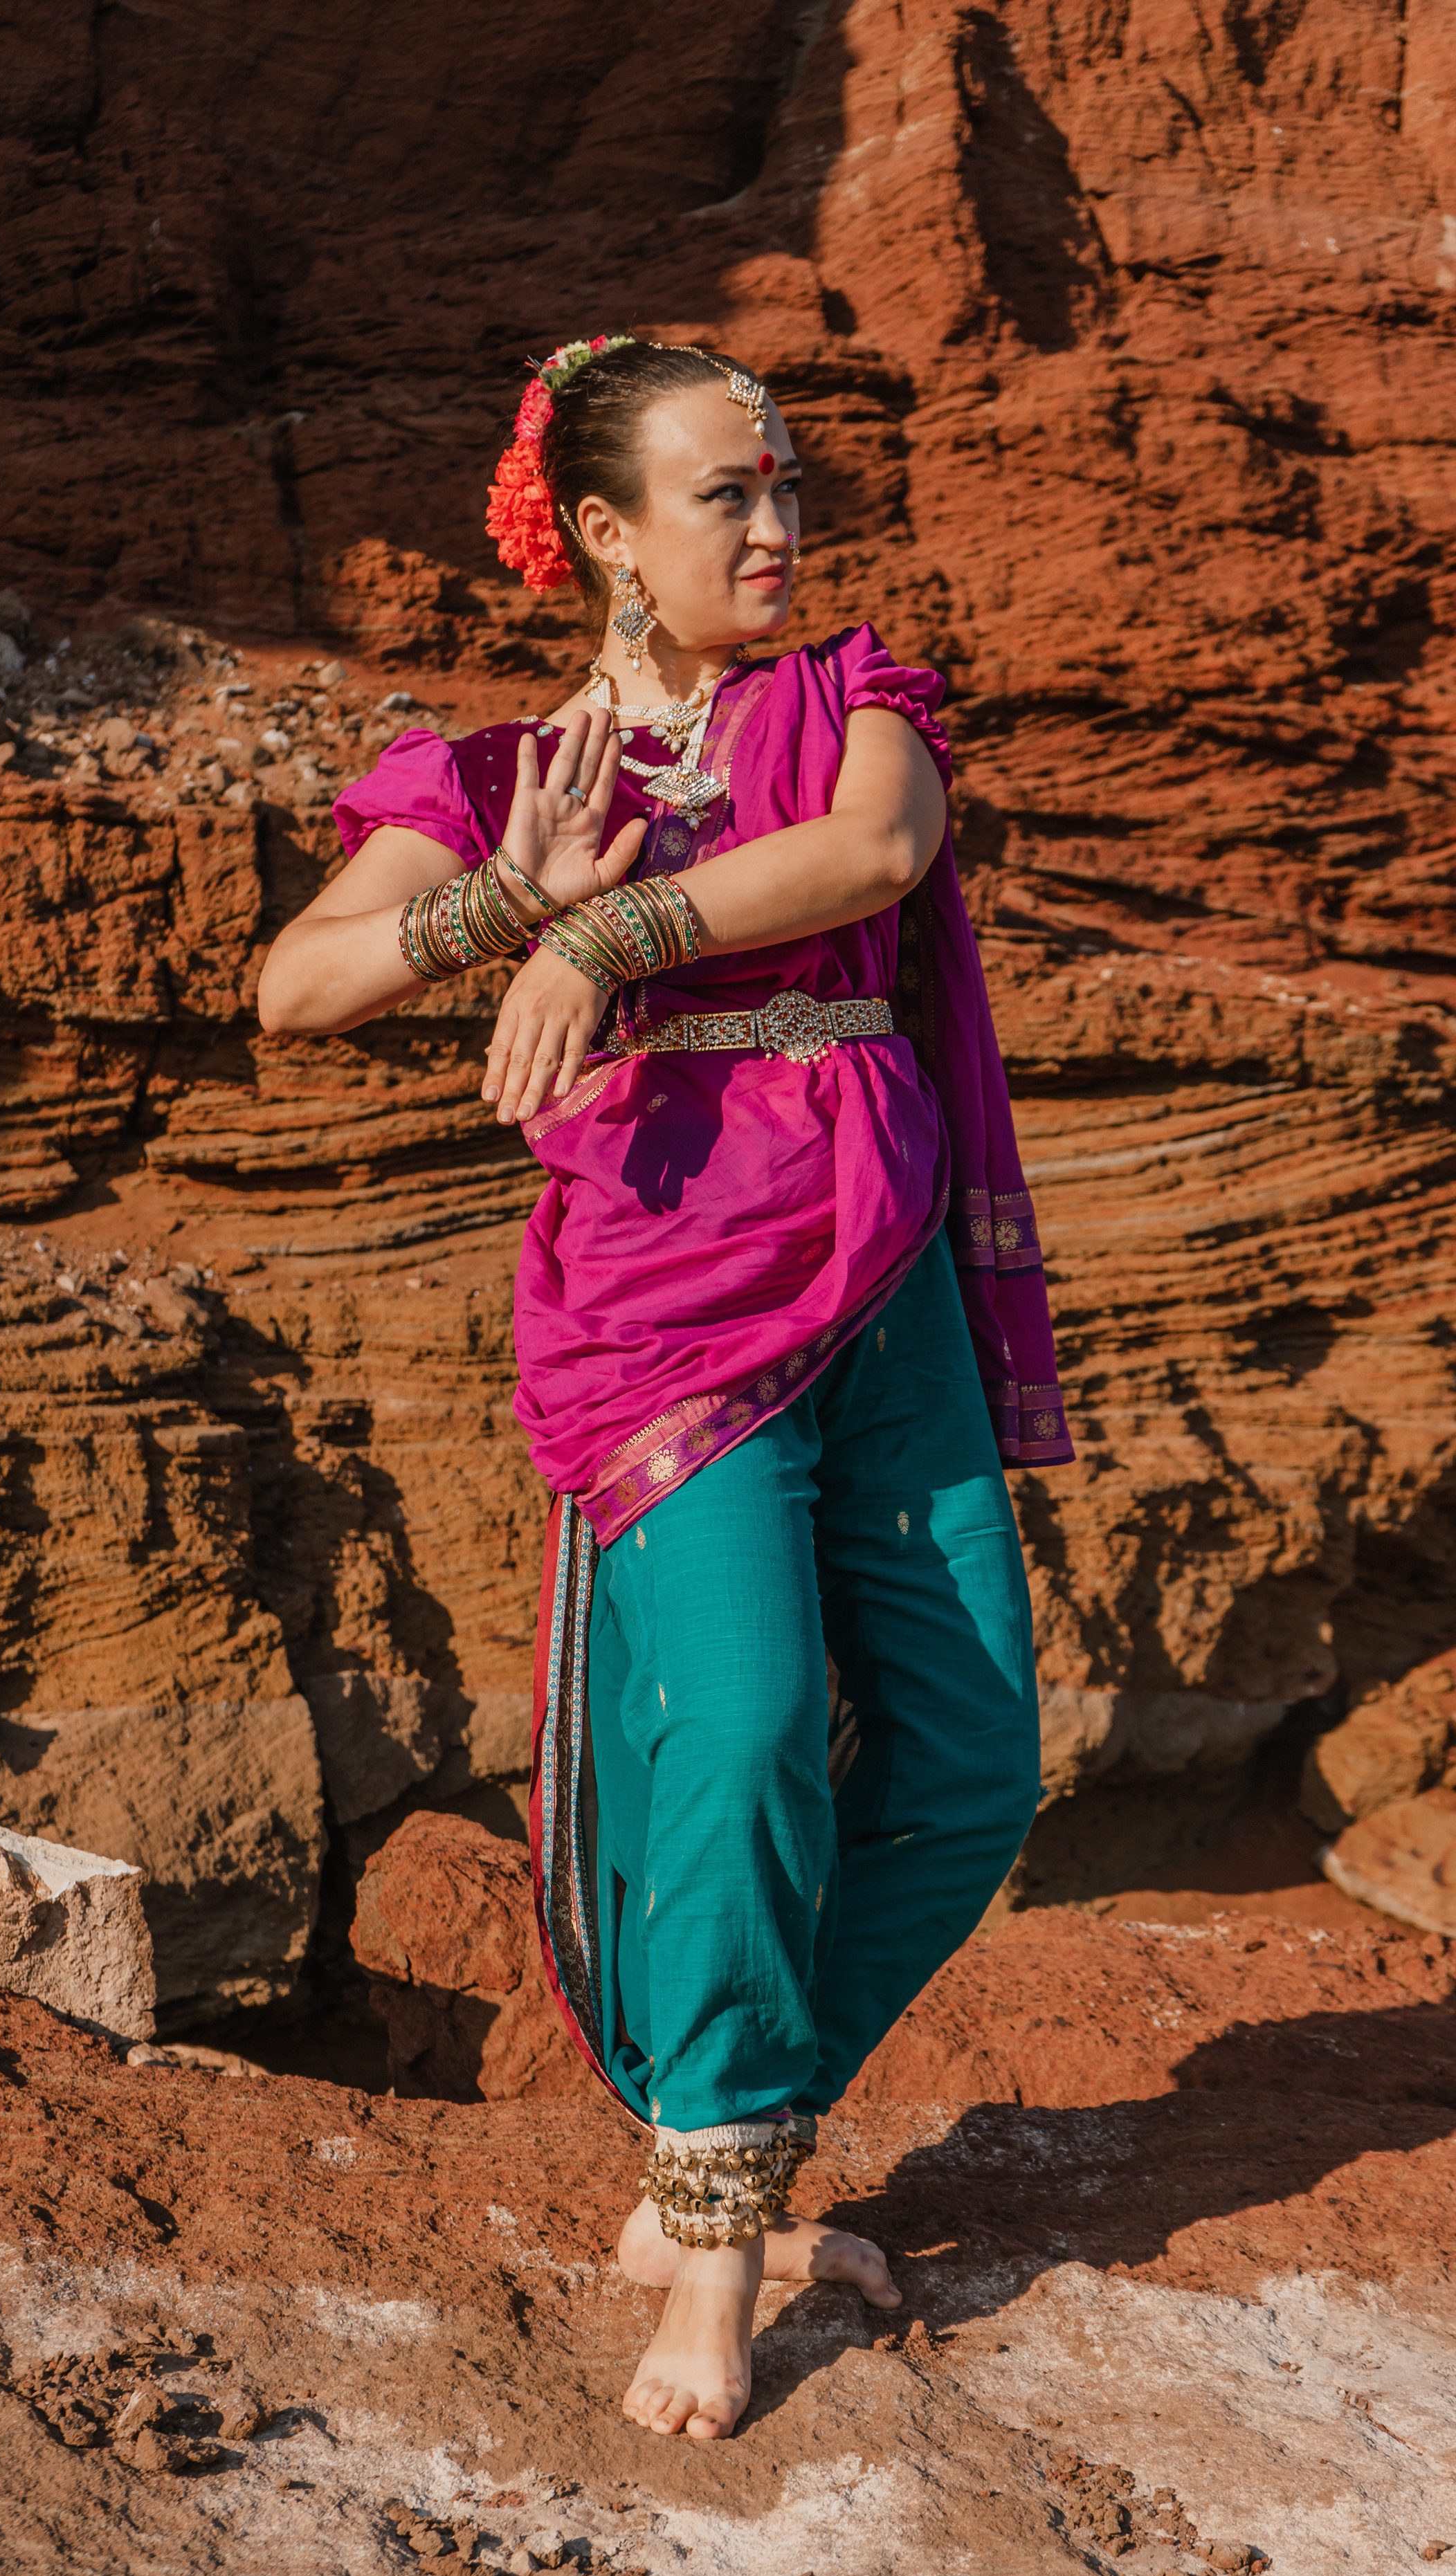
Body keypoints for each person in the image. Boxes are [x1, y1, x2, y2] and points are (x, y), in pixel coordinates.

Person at [259, 334, 1072, 2442]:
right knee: (737, 1734)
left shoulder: (851, 704)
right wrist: (510, 899)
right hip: (663, 1312)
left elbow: (870, 862)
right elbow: (304, 984)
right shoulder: (504, 770)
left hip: (873, 1283)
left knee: (977, 1747)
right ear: (610, 532)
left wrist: (611, 945)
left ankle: (724, 2127)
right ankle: (713, 2245)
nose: (782, 528)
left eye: (790, 486)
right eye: (730, 494)